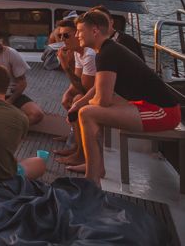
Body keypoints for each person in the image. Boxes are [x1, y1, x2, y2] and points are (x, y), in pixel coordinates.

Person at [68, 11, 180, 187]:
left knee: (88, 114)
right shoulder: (107, 49)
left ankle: (92, 179)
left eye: (80, 30)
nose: (76, 35)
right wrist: (79, 103)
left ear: (95, 31)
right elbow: (98, 88)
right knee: (87, 110)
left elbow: (103, 100)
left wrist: (84, 105)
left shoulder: (107, 53)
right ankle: (96, 169)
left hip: (163, 113)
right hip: (146, 106)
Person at [53, 18, 96, 165]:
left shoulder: (89, 55)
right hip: (90, 90)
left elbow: (85, 88)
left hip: (105, 93)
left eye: (66, 35)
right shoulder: (78, 52)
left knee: (78, 100)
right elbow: (77, 81)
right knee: (70, 98)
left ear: (77, 34)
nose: (62, 40)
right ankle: (77, 145)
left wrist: (65, 66)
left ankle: (80, 154)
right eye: (60, 36)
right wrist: (67, 93)